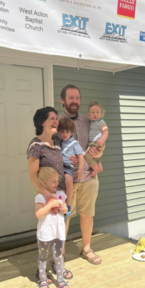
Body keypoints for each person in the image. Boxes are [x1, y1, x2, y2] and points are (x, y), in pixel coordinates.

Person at [27, 106, 73, 280]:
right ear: (41, 122)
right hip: (47, 195)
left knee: (59, 231)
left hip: (61, 195)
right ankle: (42, 270)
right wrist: (47, 196)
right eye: (52, 118)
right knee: (47, 233)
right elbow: (33, 176)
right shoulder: (35, 145)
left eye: (56, 118)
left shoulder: (57, 141)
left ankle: (57, 263)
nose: (56, 121)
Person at [59, 85, 102, 265]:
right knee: (64, 216)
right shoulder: (58, 122)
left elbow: (96, 141)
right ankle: (59, 254)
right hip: (67, 179)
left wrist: (98, 154)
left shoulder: (88, 120)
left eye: (77, 98)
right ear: (63, 100)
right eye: (71, 98)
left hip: (88, 177)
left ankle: (86, 249)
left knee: (87, 214)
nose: (75, 101)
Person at [35, 167, 69, 288]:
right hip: (45, 233)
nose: (56, 184)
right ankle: (43, 278)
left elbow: (66, 211)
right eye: (53, 181)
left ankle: (60, 279)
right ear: (44, 183)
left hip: (58, 233)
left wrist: (63, 208)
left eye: (57, 181)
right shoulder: (41, 197)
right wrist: (50, 205)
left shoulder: (61, 195)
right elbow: (38, 214)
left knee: (58, 257)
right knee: (43, 256)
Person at [57, 117, 84, 216]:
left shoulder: (74, 143)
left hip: (68, 167)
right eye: (62, 131)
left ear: (71, 132)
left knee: (68, 183)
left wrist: (80, 169)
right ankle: (59, 203)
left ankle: (68, 205)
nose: (64, 134)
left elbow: (80, 156)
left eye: (67, 132)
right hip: (58, 167)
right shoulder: (58, 142)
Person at [85, 102, 108, 177]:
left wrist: (102, 139)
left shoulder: (100, 121)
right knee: (95, 156)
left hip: (97, 142)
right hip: (93, 143)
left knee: (88, 156)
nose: (95, 114)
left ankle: (95, 169)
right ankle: (100, 167)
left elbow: (105, 131)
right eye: (93, 112)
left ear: (101, 114)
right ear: (89, 115)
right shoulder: (92, 122)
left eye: (97, 112)